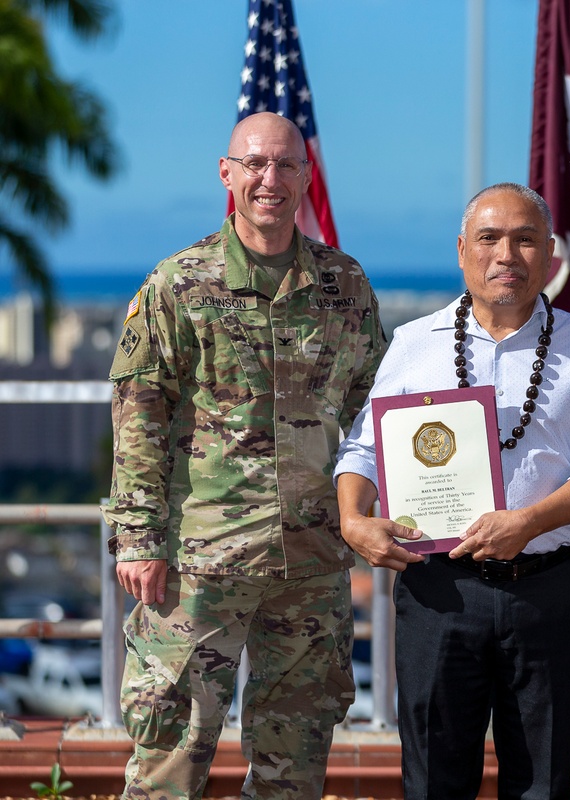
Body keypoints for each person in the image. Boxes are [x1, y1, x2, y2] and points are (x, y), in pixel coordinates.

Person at [102, 111, 385, 799]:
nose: (270, 179)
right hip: (202, 560)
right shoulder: (177, 285)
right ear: (226, 174)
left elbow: (373, 410)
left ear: (306, 177)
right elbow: (139, 412)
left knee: (298, 754)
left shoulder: (344, 287)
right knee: (171, 750)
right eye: (255, 164)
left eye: (286, 165)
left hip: (312, 562)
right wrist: (139, 537)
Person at [334, 182, 570, 800]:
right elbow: (365, 446)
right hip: (439, 591)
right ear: (463, 251)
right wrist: (352, 519)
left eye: (526, 240)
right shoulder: (415, 344)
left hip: (546, 590)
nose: (507, 255)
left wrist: (527, 522)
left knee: (542, 784)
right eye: (490, 239)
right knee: (433, 782)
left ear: (551, 254)